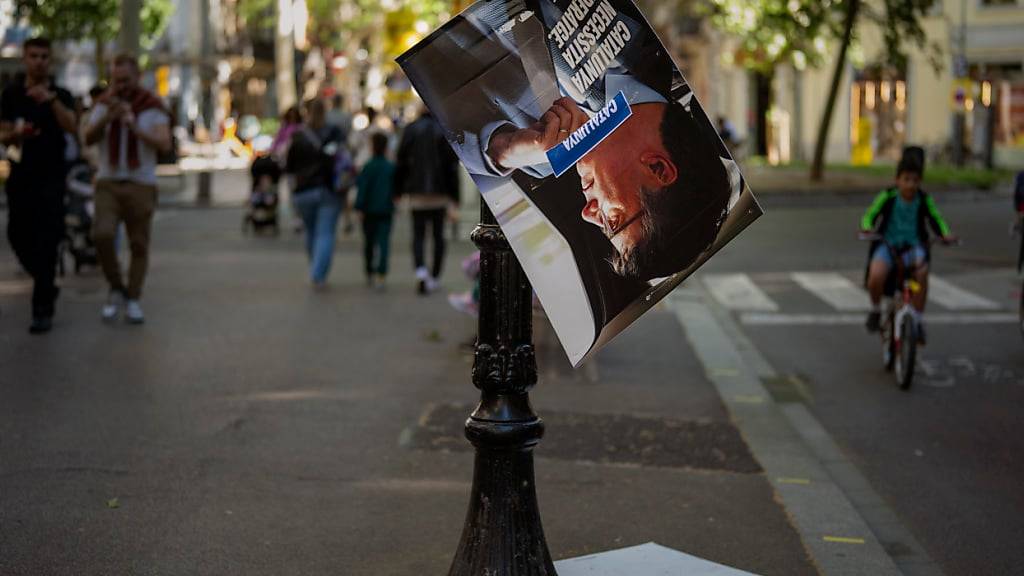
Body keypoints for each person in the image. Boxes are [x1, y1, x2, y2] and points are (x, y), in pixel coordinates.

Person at [433, 0, 732, 283]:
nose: (587, 214)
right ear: (658, 168)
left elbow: (437, 84)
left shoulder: (534, 160)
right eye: (612, 220)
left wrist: (502, 149)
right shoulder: (646, 35)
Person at [84, 53, 172, 324]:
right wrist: (107, 117)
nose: (120, 85)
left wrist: (134, 126)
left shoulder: (153, 106)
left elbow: (164, 144)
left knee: (139, 244)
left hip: (141, 182)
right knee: (102, 234)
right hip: (109, 181)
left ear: (138, 77)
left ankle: (132, 298)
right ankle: (116, 287)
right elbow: (88, 138)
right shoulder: (104, 104)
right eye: (116, 79)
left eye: (126, 79)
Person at [0, 36, 78, 334]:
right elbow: (3, 132)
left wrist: (51, 100)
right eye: (34, 56)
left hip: (52, 178)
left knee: (48, 243)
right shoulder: (11, 94)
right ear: (24, 58)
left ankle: (41, 310)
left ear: (51, 60)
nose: (39, 61)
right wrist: (17, 133)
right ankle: (46, 284)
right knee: (17, 234)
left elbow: (73, 126)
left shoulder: (61, 94)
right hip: (21, 176)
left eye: (45, 56)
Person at [861, 155, 957, 343]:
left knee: (922, 274)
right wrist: (867, 227)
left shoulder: (923, 199)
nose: (911, 185)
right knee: (875, 276)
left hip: (914, 247)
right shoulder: (887, 196)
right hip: (888, 245)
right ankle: (875, 309)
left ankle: (918, 320)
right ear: (897, 180)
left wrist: (945, 234)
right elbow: (870, 215)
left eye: (915, 181)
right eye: (906, 180)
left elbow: (936, 219)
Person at [394, 109, 460, 294]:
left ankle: (421, 271)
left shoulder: (411, 129)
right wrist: (455, 196)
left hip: (416, 192)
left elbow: (401, 161)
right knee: (439, 236)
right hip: (440, 193)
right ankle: (435, 276)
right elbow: (451, 166)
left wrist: (397, 190)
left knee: (418, 234)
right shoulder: (444, 130)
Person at [285, 99, 345, 287]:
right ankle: (318, 274)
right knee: (325, 233)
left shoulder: (298, 136)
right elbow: (344, 157)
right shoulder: (334, 133)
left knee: (312, 231)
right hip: (329, 189)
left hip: (303, 191)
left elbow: (289, 167)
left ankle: (316, 268)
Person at [354, 132, 396, 290]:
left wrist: (359, 207)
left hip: (369, 210)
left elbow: (362, 188)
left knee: (369, 242)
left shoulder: (368, 166)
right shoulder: (390, 167)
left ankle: (369, 269)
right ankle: (382, 273)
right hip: (386, 209)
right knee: (384, 242)